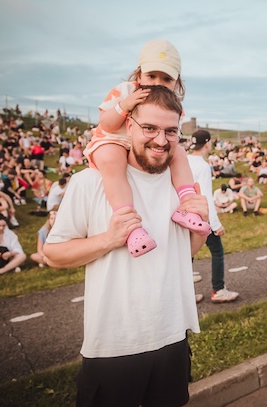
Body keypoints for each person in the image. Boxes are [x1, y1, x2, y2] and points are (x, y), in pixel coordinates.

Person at [43, 86, 208, 406]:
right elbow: (53, 254)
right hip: (113, 346)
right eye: (150, 128)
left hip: (172, 336)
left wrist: (201, 224)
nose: (161, 140)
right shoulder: (89, 183)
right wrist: (109, 239)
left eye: (171, 131)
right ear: (129, 125)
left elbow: (184, 253)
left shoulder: (181, 187)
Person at [82, 39, 210, 258]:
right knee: (112, 158)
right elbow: (107, 124)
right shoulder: (125, 91)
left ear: (177, 83)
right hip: (112, 141)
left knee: (178, 152)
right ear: (138, 75)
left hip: (144, 149)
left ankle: (187, 204)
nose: (157, 83)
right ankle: (129, 223)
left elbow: (168, 137)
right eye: (151, 76)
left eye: (166, 78)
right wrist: (125, 105)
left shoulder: (172, 104)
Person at [188, 129, 239, 303]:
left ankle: (184, 293)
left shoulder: (185, 160)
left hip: (184, 214)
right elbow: (206, 197)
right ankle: (218, 289)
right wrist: (216, 225)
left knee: (187, 253)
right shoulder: (202, 166)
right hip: (200, 216)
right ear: (208, 143)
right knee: (217, 251)